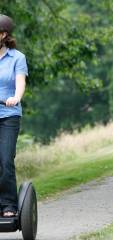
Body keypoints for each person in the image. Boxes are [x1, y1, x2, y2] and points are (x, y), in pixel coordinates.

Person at [0, 14, 28, 217]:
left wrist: (16, 97)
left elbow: (20, 83)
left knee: (6, 160)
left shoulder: (17, 58)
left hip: (9, 115)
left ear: (3, 35)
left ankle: (8, 204)